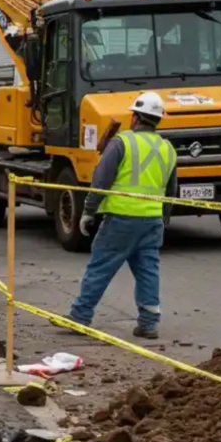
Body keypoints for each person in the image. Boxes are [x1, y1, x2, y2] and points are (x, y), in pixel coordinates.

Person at [67, 91, 177, 340]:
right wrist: (164, 220)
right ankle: (149, 323)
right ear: (157, 120)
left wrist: (88, 211)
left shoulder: (122, 142)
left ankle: (80, 316)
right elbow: (171, 191)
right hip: (152, 220)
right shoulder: (168, 148)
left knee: (100, 266)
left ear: (136, 117)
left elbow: (101, 180)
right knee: (148, 271)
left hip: (121, 218)